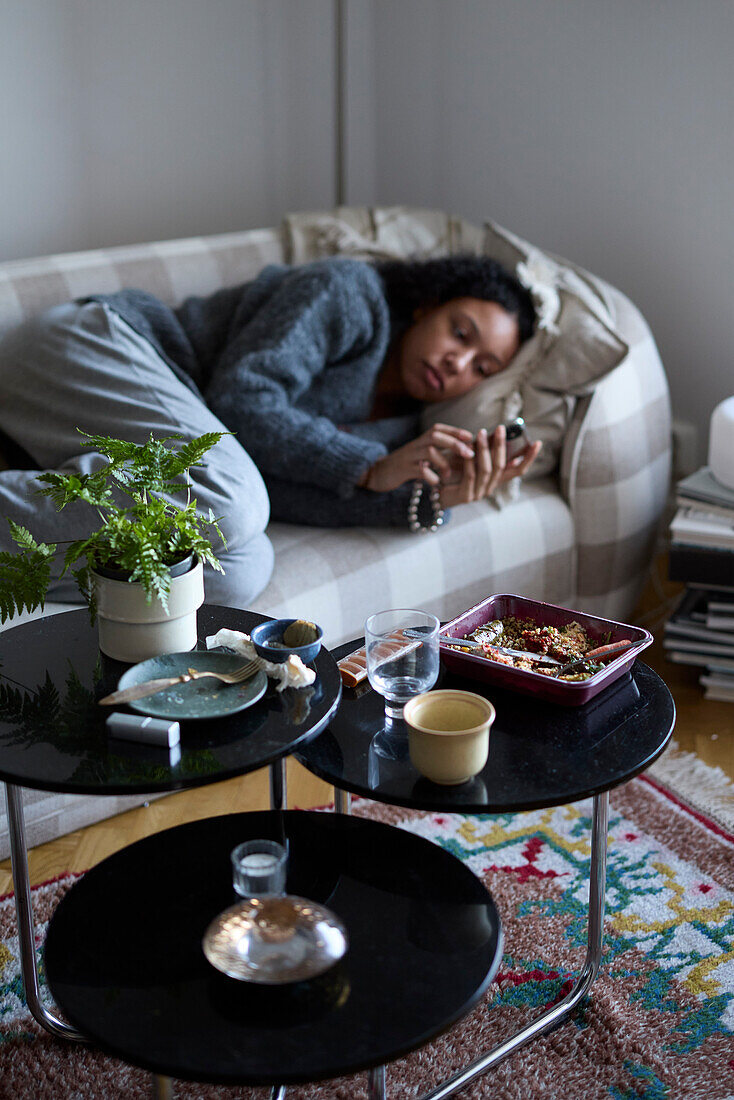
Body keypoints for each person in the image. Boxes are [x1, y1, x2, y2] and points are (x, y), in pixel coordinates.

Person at [0, 254, 540, 607]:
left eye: (482, 368)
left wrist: (426, 497)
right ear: (427, 307)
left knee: (235, 573)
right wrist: (368, 466)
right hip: (95, 346)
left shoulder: (403, 430)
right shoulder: (349, 294)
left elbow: (270, 489)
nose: (458, 362)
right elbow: (239, 402)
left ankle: (10, 564)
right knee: (234, 501)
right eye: (460, 332)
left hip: (116, 427)